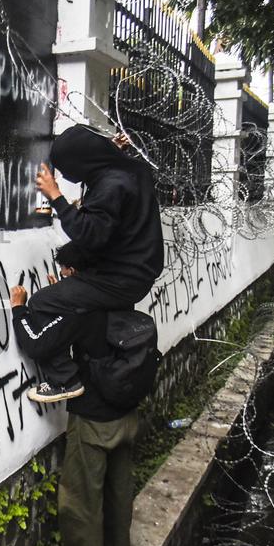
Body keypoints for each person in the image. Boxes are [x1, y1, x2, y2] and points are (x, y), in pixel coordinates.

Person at [9, 247, 139, 546]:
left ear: (76, 272)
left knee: (81, 499)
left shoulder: (79, 309)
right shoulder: (119, 293)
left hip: (94, 420)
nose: (65, 277)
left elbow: (37, 344)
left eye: (67, 271)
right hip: (126, 410)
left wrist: (20, 309)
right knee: (119, 490)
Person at [27, 124, 164, 403]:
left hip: (120, 278)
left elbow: (90, 235)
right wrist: (111, 149)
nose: (64, 174)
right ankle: (104, 376)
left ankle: (64, 379)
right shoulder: (132, 170)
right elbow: (111, 223)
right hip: (136, 272)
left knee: (42, 303)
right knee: (90, 316)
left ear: (82, 162)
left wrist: (56, 196)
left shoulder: (111, 185)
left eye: (67, 168)